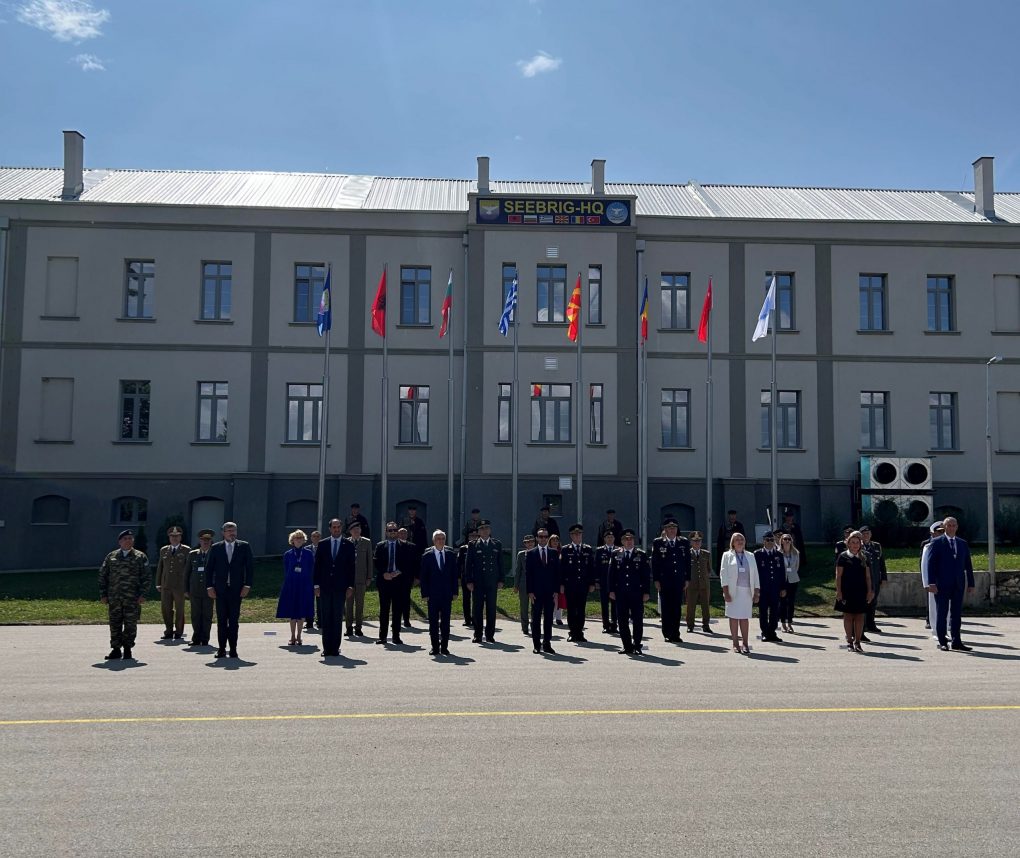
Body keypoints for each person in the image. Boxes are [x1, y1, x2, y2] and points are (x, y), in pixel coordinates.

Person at [924, 516, 976, 652]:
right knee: (942, 612)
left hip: (958, 584)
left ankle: (956, 641)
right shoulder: (936, 542)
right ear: (944, 527)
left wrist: (971, 583)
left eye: (954, 525)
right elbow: (931, 564)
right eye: (949, 525)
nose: (952, 528)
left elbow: (968, 565)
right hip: (941, 584)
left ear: (957, 527)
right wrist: (931, 583)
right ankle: (942, 641)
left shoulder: (962, 543)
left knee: (956, 613)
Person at [205, 521, 254, 659]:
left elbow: (249, 568)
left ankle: (233, 649)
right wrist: (209, 587)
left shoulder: (244, 546)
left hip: (237, 590)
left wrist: (247, 585)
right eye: (229, 530)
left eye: (234, 530)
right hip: (220, 590)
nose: (232, 533)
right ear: (223, 532)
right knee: (221, 620)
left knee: (233, 620)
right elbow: (209, 569)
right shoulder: (215, 548)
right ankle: (221, 649)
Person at [98, 529, 150, 661]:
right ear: (120, 541)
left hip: (132, 598)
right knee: (114, 623)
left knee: (130, 624)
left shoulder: (140, 557)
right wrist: (103, 594)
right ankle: (116, 649)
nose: (128, 540)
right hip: (114, 597)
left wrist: (143, 594)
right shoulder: (111, 556)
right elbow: (103, 575)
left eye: (130, 538)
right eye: (125, 538)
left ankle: (127, 649)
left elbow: (147, 577)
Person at [313, 518, 355, 657]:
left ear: (341, 528)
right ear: (330, 529)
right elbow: (317, 566)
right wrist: (316, 585)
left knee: (337, 617)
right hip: (325, 587)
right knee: (326, 617)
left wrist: (350, 586)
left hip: (340, 587)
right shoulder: (323, 544)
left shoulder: (348, 544)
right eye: (334, 527)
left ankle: (335, 648)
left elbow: (351, 567)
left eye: (338, 527)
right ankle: (326, 648)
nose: (336, 529)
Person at [608, 529, 650, 655]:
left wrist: (646, 592)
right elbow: (611, 574)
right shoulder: (615, 554)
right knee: (622, 620)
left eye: (631, 539)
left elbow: (646, 575)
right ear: (622, 541)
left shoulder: (641, 554)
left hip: (636, 593)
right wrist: (611, 590)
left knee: (637, 620)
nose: (629, 541)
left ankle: (637, 645)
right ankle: (627, 646)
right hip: (621, 593)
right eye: (626, 539)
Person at [373, 521, 414, 646]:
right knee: (384, 610)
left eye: (395, 530)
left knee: (397, 610)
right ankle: (383, 636)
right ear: (386, 532)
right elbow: (376, 562)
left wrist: (399, 572)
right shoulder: (380, 546)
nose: (393, 532)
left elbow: (409, 563)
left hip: (399, 582)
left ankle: (396, 636)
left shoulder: (405, 546)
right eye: (390, 530)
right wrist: (384, 573)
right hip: (385, 582)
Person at [419, 530, 459, 656]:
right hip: (432, 595)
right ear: (433, 541)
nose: (440, 541)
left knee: (446, 622)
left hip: (447, 594)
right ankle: (435, 647)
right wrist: (424, 593)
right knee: (433, 622)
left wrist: (455, 591)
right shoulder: (427, 556)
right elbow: (423, 577)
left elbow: (454, 575)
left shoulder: (451, 555)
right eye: (438, 538)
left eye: (442, 538)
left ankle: (445, 647)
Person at [651, 517, 691, 643]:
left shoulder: (683, 542)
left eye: (674, 527)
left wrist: (687, 579)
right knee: (666, 607)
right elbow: (655, 562)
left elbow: (687, 562)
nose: (672, 530)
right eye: (669, 528)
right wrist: (656, 579)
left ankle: (676, 633)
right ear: (665, 530)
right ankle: (667, 633)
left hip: (678, 580)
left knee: (676, 608)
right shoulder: (658, 542)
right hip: (664, 580)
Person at [720, 532, 760, 655]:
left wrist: (757, 592)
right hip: (733, 591)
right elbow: (724, 575)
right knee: (733, 618)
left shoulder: (750, 556)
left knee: (744, 618)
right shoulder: (727, 555)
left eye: (742, 539)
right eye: (737, 539)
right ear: (732, 542)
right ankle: (735, 643)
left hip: (747, 591)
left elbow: (756, 575)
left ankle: (745, 643)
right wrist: (726, 592)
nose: (740, 541)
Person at [835, 530, 874, 653]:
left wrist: (870, 591)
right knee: (848, 616)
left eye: (857, 542)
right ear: (848, 543)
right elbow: (838, 576)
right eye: (853, 542)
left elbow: (868, 576)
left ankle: (858, 642)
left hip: (861, 591)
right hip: (847, 591)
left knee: (859, 617)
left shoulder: (864, 556)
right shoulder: (843, 556)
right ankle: (850, 642)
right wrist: (839, 591)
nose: (855, 545)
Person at [466, 520, 503, 643]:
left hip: (492, 581)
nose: (484, 530)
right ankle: (477, 634)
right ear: (478, 532)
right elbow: (468, 565)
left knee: (491, 609)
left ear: (490, 530)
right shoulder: (473, 545)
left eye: (487, 528)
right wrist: (469, 581)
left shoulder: (496, 544)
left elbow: (500, 564)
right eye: (481, 528)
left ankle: (490, 635)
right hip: (478, 582)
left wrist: (501, 579)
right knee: (477, 609)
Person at [277, 530, 315, 646]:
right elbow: (286, 569)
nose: (298, 540)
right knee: (292, 611)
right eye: (296, 538)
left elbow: (311, 569)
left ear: (304, 540)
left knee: (302, 610)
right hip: (291, 585)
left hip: (304, 585)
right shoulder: (288, 554)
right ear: (292, 540)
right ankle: (292, 636)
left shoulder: (308, 553)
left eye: (300, 538)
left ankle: (299, 636)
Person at [526, 528, 561, 654]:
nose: (543, 539)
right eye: (540, 537)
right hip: (536, 593)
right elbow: (528, 574)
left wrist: (556, 591)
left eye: (545, 537)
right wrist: (530, 592)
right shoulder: (531, 553)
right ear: (536, 538)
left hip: (550, 592)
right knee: (536, 619)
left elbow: (557, 573)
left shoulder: (553, 553)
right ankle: (537, 644)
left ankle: (547, 643)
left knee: (548, 619)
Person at [559, 523, 595, 643]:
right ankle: (572, 632)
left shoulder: (587, 549)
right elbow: (562, 568)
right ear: (571, 536)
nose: (577, 536)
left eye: (579, 534)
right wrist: (562, 584)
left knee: (581, 609)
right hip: (570, 584)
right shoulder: (565, 549)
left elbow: (591, 568)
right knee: (571, 609)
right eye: (575, 534)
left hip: (583, 584)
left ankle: (579, 632)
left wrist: (591, 583)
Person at [155, 525, 190, 641]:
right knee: (166, 608)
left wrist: (187, 587)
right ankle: (168, 630)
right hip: (166, 584)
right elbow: (160, 567)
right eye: (172, 536)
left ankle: (179, 631)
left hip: (180, 585)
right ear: (169, 538)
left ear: (180, 537)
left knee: (180, 609)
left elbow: (188, 569)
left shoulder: (186, 550)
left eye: (177, 536)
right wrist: (158, 583)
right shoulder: (164, 550)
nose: (174, 538)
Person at [185, 529, 215, 646]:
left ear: (211, 541)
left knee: (207, 615)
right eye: (203, 540)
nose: (205, 542)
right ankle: (196, 638)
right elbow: (186, 573)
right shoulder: (193, 554)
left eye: (208, 540)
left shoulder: (214, 553)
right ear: (200, 541)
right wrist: (186, 589)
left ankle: (205, 638)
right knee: (195, 615)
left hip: (209, 590)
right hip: (195, 590)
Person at [754, 532, 786, 642]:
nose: (770, 542)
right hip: (763, 588)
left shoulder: (779, 555)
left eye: (772, 540)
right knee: (763, 611)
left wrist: (783, 588)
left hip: (775, 589)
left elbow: (782, 572)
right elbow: (755, 573)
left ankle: (772, 632)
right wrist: (755, 589)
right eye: (767, 540)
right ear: (763, 541)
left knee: (775, 611)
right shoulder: (757, 554)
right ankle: (764, 632)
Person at [345, 520, 373, 637]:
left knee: (360, 604)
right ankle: (348, 628)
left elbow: (369, 561)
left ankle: (358, 628)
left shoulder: (366, 542)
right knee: (349, 605)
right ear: (350, 532)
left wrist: (369, 577)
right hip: (348, 580)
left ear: (360, 531)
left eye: (358, 530)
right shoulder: (346, 542)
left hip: (361, 578)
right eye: (354, 530)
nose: (356, 532)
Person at [859, 525, 887, 637]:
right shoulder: (858, 547)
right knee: (864, 603)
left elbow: (882, 564)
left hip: (875, 579)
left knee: (873, 602)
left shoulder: (876, 546)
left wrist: (883, 578)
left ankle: (871, 624)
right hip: (864, 580)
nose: (866, 536)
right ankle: (863, 625)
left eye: (868, 533)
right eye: (864, 534)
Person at [920, 521, 945, 633]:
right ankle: (936, 630)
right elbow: (924, 565)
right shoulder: (928, 546)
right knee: (934, 606)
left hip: (947, 581)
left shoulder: (949, 544)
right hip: (934, 581)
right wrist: (926, 583)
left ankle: (945, 628)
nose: (941, 534)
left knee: (947, 607)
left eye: (942, 532)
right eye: (938, 532)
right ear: (932, 533)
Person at [686, 531, 712, 634]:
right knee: (690, 606)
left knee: (705, 606)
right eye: (695, 541)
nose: (697, 543)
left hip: (704, 584)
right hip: (691, 584)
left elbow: (709, 569)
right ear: (691, 542)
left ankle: (706, 625)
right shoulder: (687, 554)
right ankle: (690, 625)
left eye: (699, 541)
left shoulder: (706, 554)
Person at [595, 529, 619, 634]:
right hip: (603, 582)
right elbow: (596, 566)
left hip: (615, 583)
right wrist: (596, 581)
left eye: (611, 537)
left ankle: (614, 625)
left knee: (615, 605)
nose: (610, 539)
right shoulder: (600, 551)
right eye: (608, 537)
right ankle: (605, 625)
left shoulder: (619, 550)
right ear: (604, 539)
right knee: (604, 605)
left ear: (614, 539)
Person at [513, 534, 536, 636]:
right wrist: (516, 585)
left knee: (535, 607)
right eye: (527, 542)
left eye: (531, 541)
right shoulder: (521, 554)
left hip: (536, 584)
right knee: (524, 606)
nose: (529, 543)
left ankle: (534, 625)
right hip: (524, 584)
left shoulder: (538, 552)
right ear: (524, 544)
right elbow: (518, 571)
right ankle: (524, 627)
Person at [777, 532, 801, 634]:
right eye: (785, 539)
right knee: (783, 602)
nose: (787, 541)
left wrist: (791, 573)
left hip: (793, 580)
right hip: (783, 580)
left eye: (789, 539)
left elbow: (796, 567)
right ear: (781, 541)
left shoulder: (796, 553)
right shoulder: (778, 553)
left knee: (791, 603)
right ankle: (783, 623)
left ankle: (790, 623)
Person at [395, 526, 416, 629]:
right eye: (401, 533)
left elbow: (415, 563)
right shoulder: (394, 545)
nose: (403, 535)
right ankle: (396, 620)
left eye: (405, 533)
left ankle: (406, 620)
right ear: (398, 534)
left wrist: (416, 577)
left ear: (407, 535)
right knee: (396, 600)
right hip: (396, 577)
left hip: (407, 577)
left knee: (406, 599)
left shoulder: (412, 547)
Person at [458, 526, 478, 628]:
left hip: (477, 577)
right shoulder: (463, 548)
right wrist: (459, 577)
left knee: (476, 599)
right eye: (471, 536)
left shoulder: (480, 547)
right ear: (468, 537)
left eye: (475, 535)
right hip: (466, 577)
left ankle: (476, 618)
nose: (473, 537)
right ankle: (467, 619)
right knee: (466, 599)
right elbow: (459, 563)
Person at [305, 530, 322, 633]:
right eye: (314, 536)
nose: (316, 538)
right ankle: (309, 622)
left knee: (320, 601)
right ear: (311, 538)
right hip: (309, 578)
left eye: (318, 536)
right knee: (308, 601)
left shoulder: (324, 548)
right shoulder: (306, 549)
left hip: (320, 578)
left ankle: (321, 621)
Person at [549, 533, 565, 625]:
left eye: (556, 540)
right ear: (549, 542)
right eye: (553, 540)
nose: (555, 542)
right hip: (550, 580)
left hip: (560, 579)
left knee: (560, 598)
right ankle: (551, 617)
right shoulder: (547, 551)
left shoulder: (562, 552)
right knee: (551, 599)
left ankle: (558, 618)